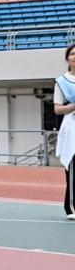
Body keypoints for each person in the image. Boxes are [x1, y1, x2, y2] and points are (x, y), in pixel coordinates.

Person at [53, 43, 75, 220]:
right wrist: (73, 106)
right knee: (73, 167)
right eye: (73, 54)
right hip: (72, 126)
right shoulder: (62, 81)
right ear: (68, 58)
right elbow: (58, 109)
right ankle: (71, 207)